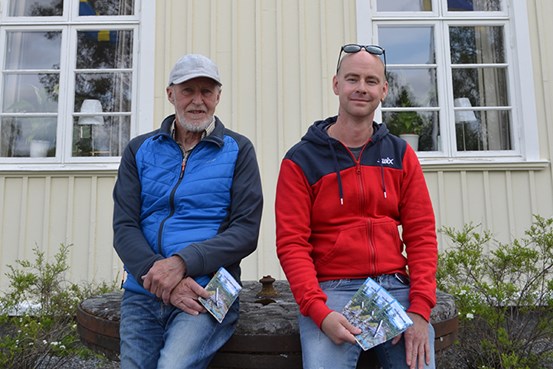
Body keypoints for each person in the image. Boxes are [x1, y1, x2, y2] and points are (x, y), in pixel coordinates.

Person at [275, 44, 438, 369]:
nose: (361, 88)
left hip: (395, 286)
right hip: (332, 289)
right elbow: (291, 244)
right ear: (336, 84)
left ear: (383, 90)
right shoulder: (301, 160)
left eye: (370, 80)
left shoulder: (402, 155)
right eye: (352, 79)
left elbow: (421, 234)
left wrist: (420, 309)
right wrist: (319, 313)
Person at [112, 53, 263, 369]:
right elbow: (124, 226)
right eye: (187, 90)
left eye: (206, 91)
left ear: (218, 96)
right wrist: (161, 276)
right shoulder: (139, 150)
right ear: (171, 94)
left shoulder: (239, 150)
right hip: (144, 289)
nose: (198, 101)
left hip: (211, 290)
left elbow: (245, 232)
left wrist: (182, 264)